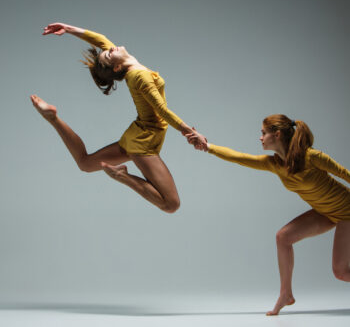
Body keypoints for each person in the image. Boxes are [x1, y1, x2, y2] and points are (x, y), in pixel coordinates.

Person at [186, 114, 350, 315]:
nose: (260, 137)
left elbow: (345, 174)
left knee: (341, 272)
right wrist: (207, 146)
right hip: (326, 212)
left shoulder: (312, 157)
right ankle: (286, 294)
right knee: (283, 237)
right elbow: (239, 157)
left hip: (347, 211)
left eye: (264, 133)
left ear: (277, 134)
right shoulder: (275, 164)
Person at [31, 22, 198, 213]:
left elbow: (100, 40)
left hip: (137, 134)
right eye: (109, 53)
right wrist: (190, 133)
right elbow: (161, 110)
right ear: (117, 66)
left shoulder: (128, 65)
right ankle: (122, 176)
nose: (111, 48)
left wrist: (69, 29)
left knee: (84, 163)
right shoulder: (139, 77)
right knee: (171, 204)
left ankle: (53, 119)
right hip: (144, 143)